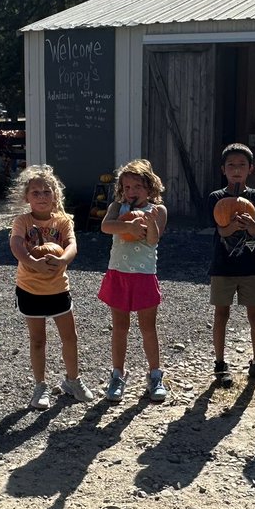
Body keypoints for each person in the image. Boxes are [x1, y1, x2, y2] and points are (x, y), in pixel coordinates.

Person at [9, 165, 95, 410]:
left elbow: (72, 245)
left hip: (58, 288)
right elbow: (16, 245)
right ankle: (40, 386)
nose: (42, 197)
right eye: (35, 192)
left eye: (47, 192)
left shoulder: (63, 221)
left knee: (70, 337)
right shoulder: (22, 221)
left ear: (55, 195)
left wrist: (63, 260)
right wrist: (32, 262)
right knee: (38, 340)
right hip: (30, 289)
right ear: (27, 197)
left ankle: (72, 380)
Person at [99, 159, 170, 403]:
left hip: (144, 275)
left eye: (137, 187)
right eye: (127, 187)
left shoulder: (157, 211)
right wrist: (127, 223)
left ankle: (155, 375)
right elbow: (106, 227)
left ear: (149, 188)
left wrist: (147, 223)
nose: (131, 192)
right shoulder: (116, 208)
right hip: (118, 273)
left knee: (148, 328)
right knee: (120, 328)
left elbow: (152, 240)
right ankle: (118, 375)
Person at [208, 143, 255, 387]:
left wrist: (249, 225)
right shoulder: (216, 198)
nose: (236, 170)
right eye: (231, 165)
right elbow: (221, 231)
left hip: (251, 266)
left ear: (250, 169)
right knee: (221, 314)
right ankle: (220, 364)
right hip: (222, 266)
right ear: (223, 169)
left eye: (242, 165)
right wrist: (233, 227)